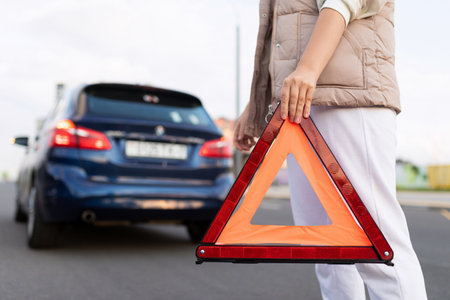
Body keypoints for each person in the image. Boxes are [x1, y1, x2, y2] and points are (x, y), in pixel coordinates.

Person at [233, 0, 428, 299]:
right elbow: (287, 31)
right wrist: (257, 104)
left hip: (350, 98)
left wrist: (309, 69)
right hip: (299, 105)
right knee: (328, 251)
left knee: (379, 248)